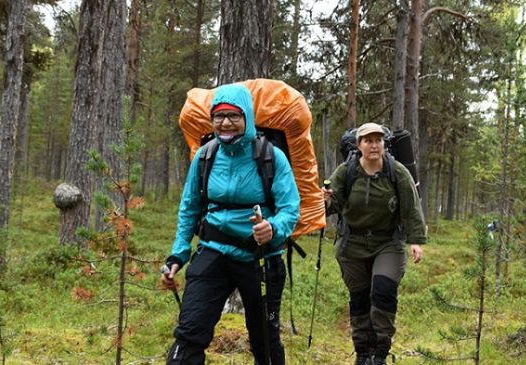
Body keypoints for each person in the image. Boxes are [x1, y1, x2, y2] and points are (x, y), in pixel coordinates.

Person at [162, 83, 300, 365]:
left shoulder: (271, 157)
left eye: (234, 116)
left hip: (261, 260)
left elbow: (289, 208)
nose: (225, 123)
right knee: (189, 334)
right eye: (219, 116)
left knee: (265, 340)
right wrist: (178, 253)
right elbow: (189, 208)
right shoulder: (205, 156)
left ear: (247, 118)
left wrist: (272, 228)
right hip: (213, 254)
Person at [322, 123, 427, 365]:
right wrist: (326, 201)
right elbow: (332, 206)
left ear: (383, 144)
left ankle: (380, 352)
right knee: (359, 298)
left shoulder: (397, 171)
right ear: (359, 145)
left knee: (383, 291)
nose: (374, 145)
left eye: (378, 140)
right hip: (352, 243)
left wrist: (415, 241)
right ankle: (362, 351)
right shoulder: (346, 171)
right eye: (368, 140)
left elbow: (411, 208)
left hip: (387, 242)